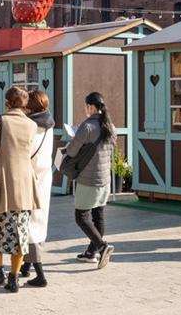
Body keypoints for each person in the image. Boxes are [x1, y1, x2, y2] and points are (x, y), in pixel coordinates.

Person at [0, 86, 39, 293]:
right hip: (24, 184)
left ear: (6, 102)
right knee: (20, 233)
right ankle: (14, 278)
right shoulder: (32, 125)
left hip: (1, 183)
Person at [66, 92, 116, 269]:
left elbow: (71, 152)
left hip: (88, 179)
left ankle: (101, 247)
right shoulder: (110, 126)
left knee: (81, 217)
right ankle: (90, 253)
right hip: (104, 179)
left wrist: (74, 138)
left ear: (91, 107)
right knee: (98, 216)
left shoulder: (86, 127)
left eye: (86, 106)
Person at [19, 90, 55, 287]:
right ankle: (26, 266)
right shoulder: (48, 124)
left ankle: (40, 274)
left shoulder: (31, 125)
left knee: (29, 224)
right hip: (44, 177)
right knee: (38, 222)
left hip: (30, 178)